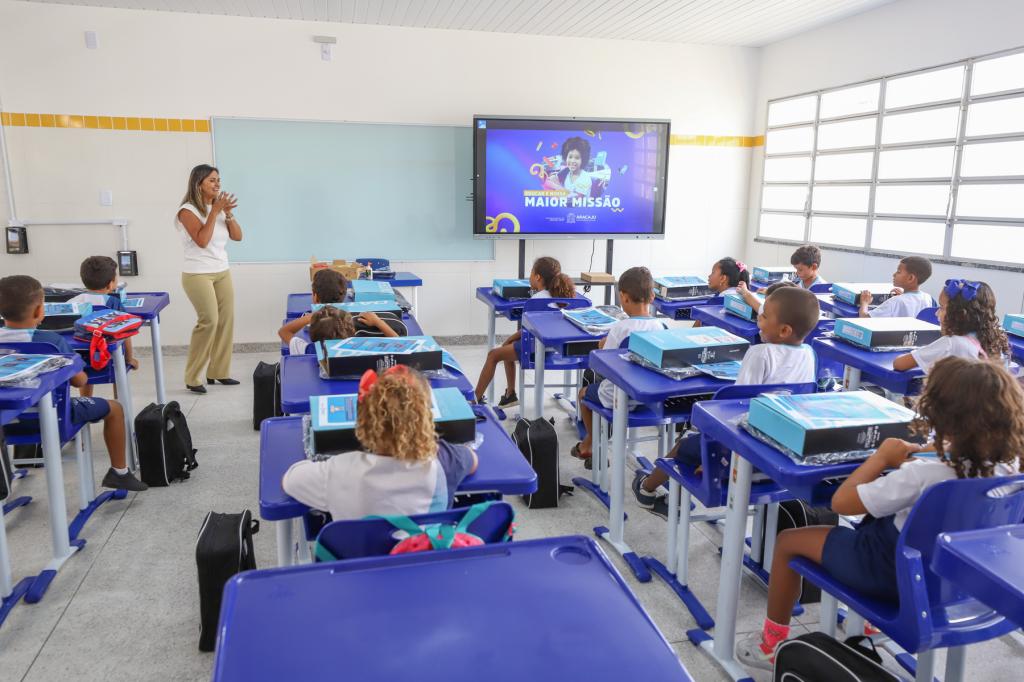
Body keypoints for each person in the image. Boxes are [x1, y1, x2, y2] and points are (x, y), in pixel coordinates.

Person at [736, 357, 1024, 669]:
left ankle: (771, 642)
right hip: (955, 582)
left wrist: (881, 457)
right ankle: (868, 627)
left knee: (789, 541)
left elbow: (840, 504)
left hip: (886, 572)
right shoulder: (1012, 469)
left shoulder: (927, 476)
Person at [634, 286, 819, 516]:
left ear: (784, 330)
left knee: (686, 443)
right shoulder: (809, 355)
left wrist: (718, 455)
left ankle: (647, 488)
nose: (758, 319)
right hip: (780, 450)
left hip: (743, 451)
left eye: (764, 316)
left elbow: (735, 408)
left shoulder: (760, 353)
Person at [0, 275, 147, 491]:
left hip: (6, 423)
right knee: (115, 409)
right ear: (40, 311)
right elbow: (80, 381)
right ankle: (120, 472)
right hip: (54, 419)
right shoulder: (51, 342)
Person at [282, 366, 478, 521]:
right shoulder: (445, 461)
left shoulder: (339, 471)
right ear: (425, 419)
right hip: (424, 566)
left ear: (364, 420)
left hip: (358, 569)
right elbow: (472, 460)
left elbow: (290, 480)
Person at [571, 267, 665, 466]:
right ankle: (591, 442)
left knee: (583, 394)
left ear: (623, 297)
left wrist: (601, 346)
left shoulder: (620, 328)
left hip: (618, 396)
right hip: (652, 397)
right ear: (652, 296)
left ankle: (591, 443)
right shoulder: (661, 327)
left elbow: (603, 367)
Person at [175, 164, 243, 394]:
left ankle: (218, 372)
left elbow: (237, 236)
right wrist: (214, 212)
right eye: (212, 180)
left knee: (226, 320)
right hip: (197, 274)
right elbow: (202, 240)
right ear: (198, 184)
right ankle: (192, 376)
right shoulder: (187, 211)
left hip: (222, 270)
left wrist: (228, 213)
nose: (217, 184)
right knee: (209, 321)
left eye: (218, 180)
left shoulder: (219, 208)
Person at [474, 256, 575, 407]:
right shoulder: (564, 297)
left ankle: (475, 399)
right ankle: (510, 395)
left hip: (534, 348)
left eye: (531, 273)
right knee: (507, 346)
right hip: (557, 348)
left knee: (493, 355)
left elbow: (528, 330)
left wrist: (511, 338)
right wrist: (511, 339)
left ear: (538, 277)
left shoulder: (536, 300)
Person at [894, 279, 1009, 373]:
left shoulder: (952, 343)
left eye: (942, 307)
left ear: (959, 315)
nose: (936, 313)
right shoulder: (995, 342)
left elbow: (899, 364)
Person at [69, 255, 139, 398]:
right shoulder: (113, 303)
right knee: (119, 367)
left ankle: (86, 400)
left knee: (87, 364)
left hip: (80, 359)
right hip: (110, 357)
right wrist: (129, 359)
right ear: (110, 284)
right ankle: (120, 402)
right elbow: (125, 334)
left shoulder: (74, 302)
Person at [279, 305, 398, 356]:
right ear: (351, 331)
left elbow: (283, 332)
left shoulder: (311, 350)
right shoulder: (360, 348)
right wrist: (378, 322)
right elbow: (400, 344)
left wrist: (310, 317)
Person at [859, 256, 933, 318]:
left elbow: (865, 318)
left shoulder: (895, 302)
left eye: (898, 272)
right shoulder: (928, 298)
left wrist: (865, 303)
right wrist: (903, 296)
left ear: (911, 278)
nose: (894, 274)